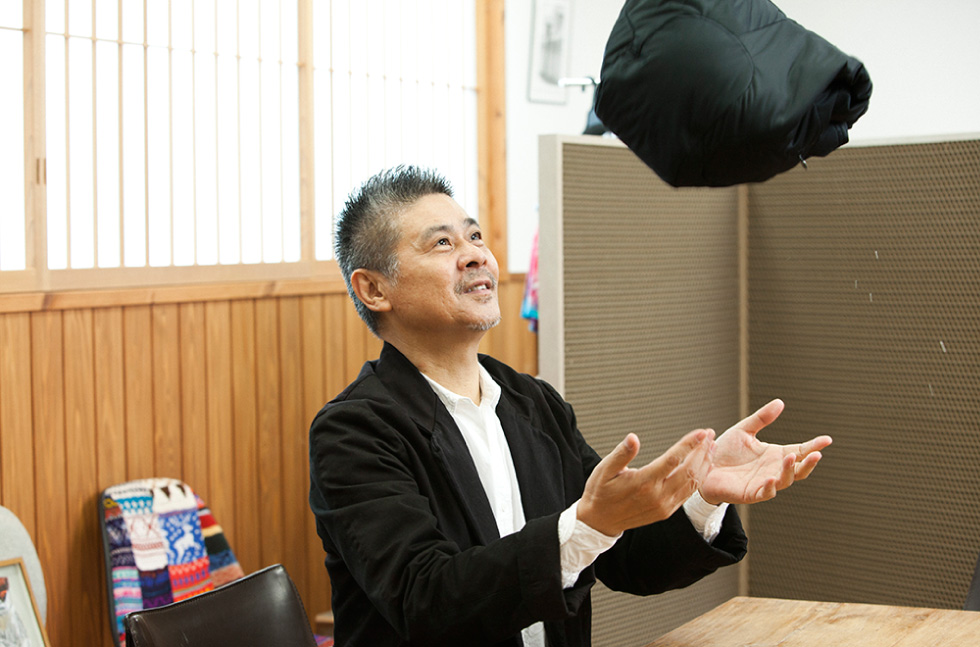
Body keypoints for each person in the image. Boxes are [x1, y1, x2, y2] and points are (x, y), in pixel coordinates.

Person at [308, 166, 832, 647]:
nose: (475, 255)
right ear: (374, 289)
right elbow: (427, 600)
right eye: (442, 243)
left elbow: (628, 559)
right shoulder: (353, 431)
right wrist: (586, 524)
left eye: (475, 236)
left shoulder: (533, 403)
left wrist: (703, 494)